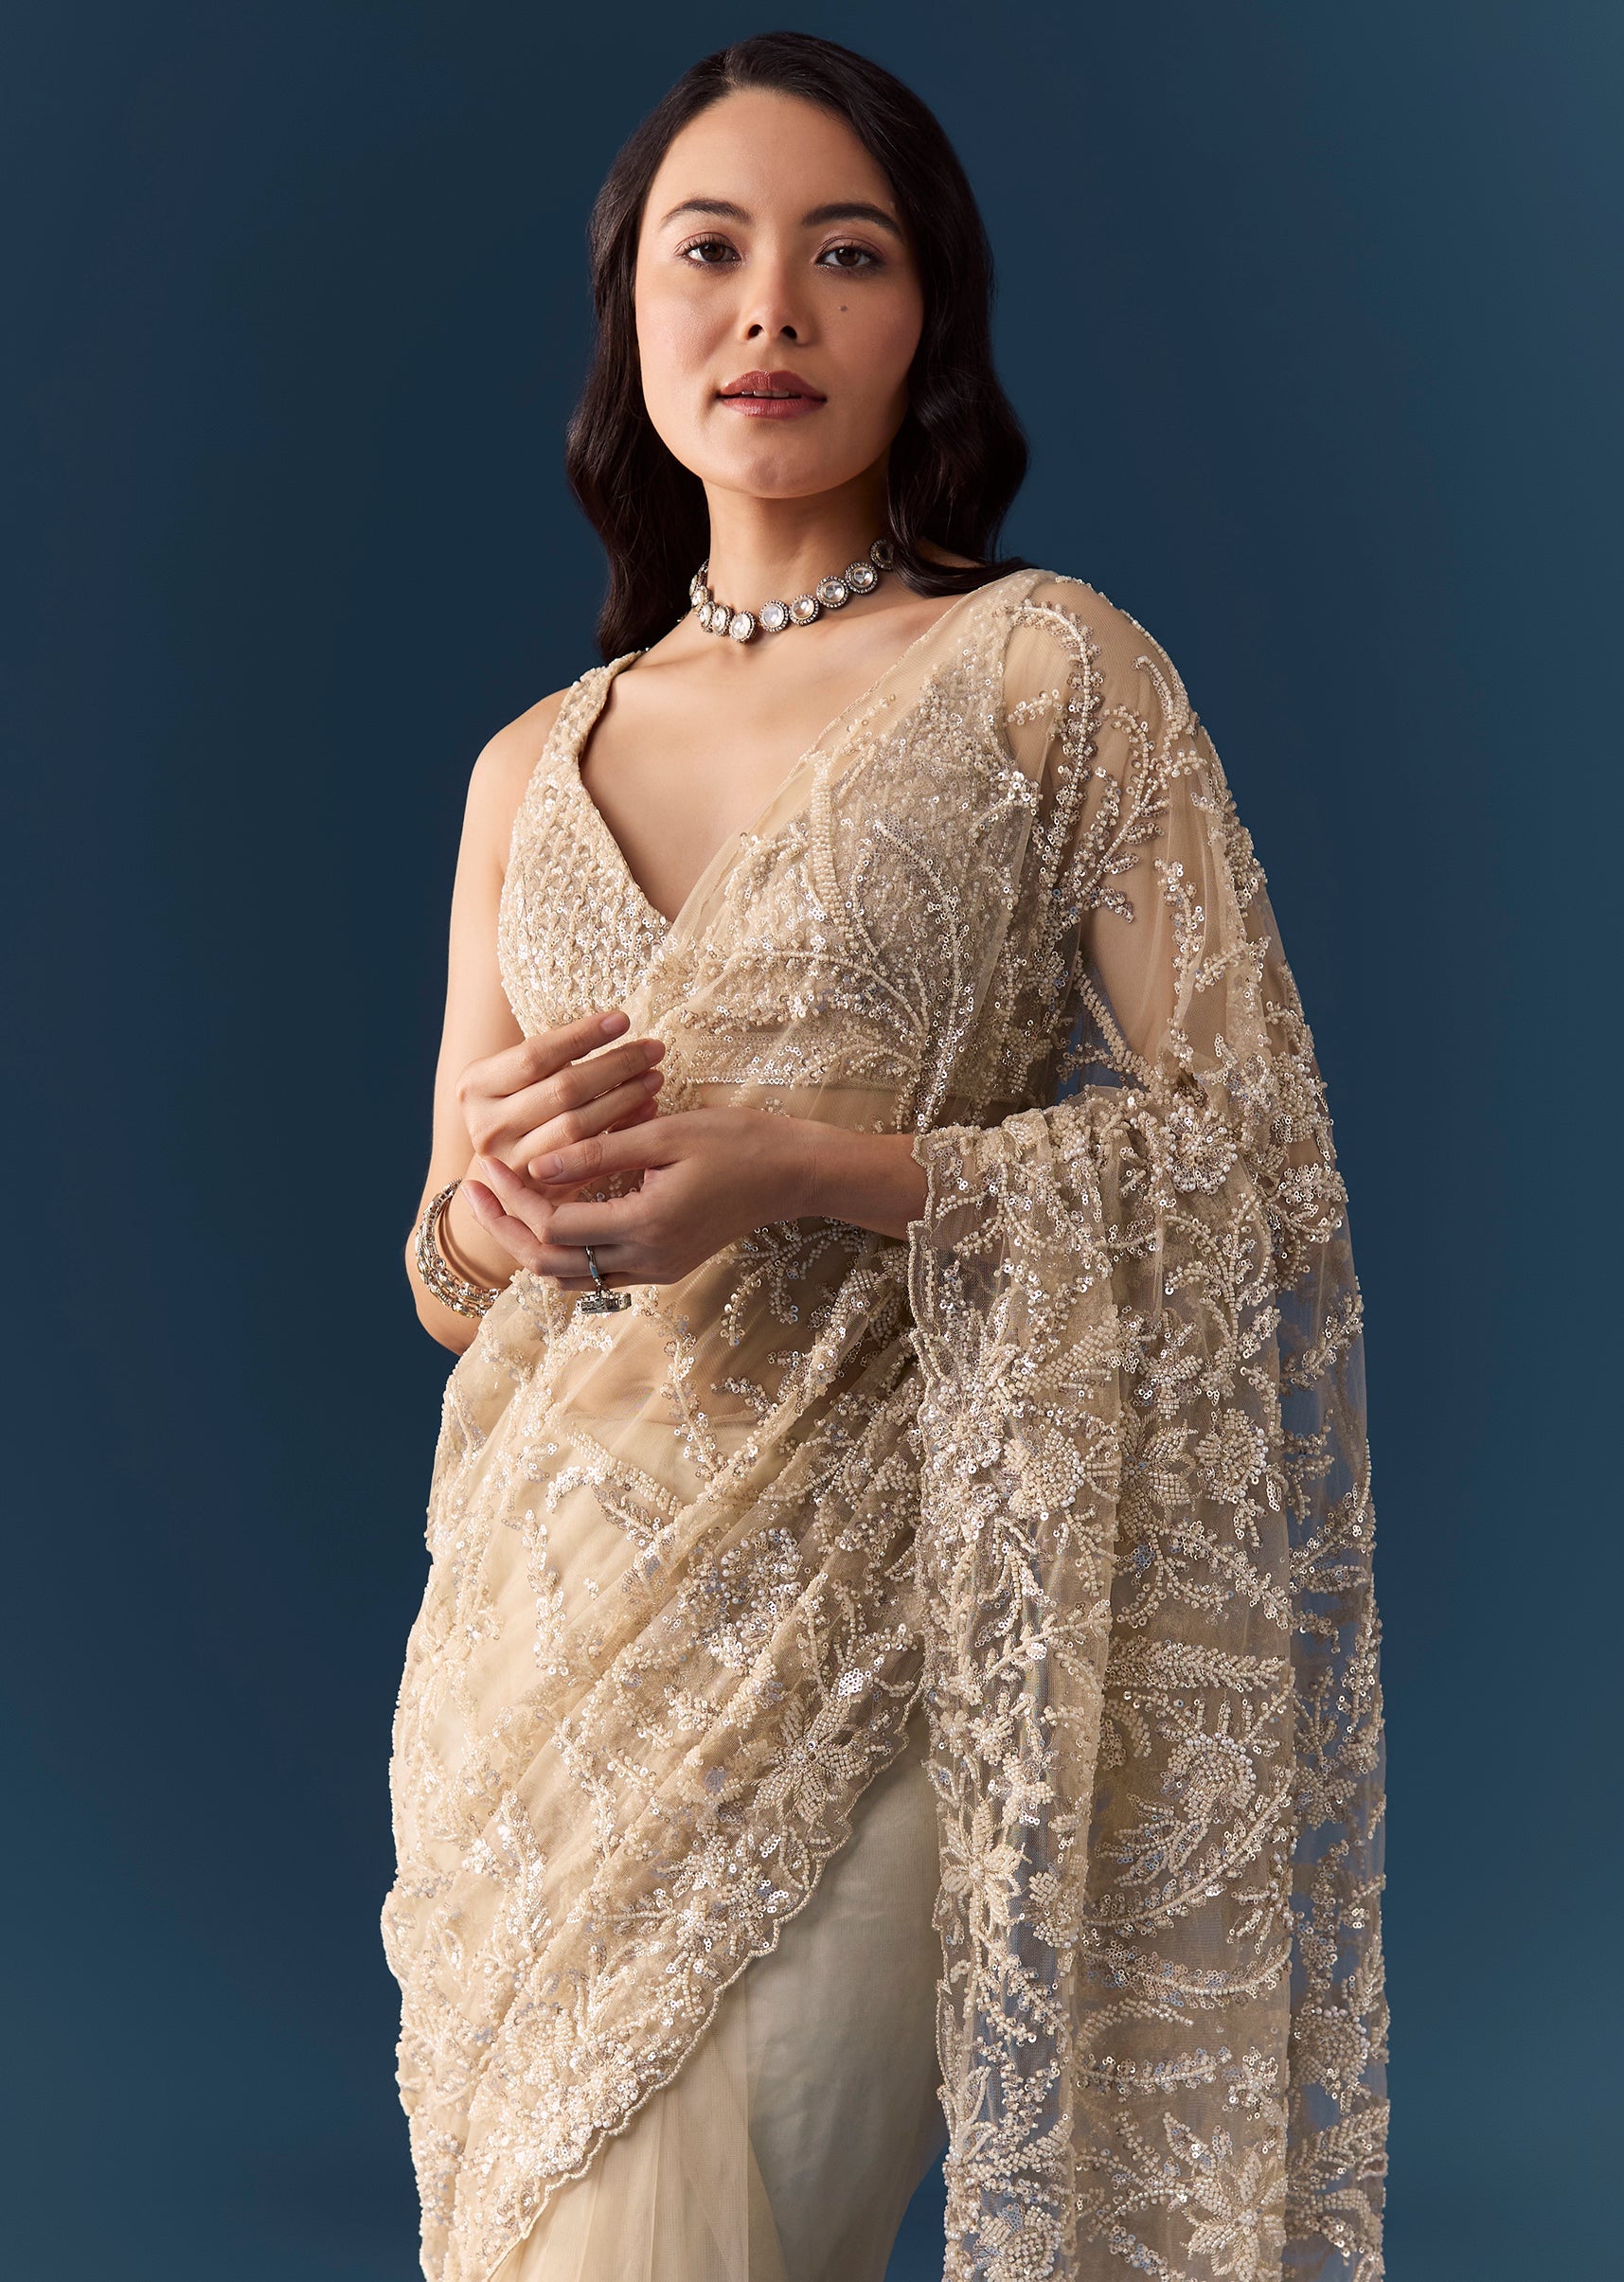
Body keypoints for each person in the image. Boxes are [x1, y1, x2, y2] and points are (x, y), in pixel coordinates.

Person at [382, 31, 1389, 2282]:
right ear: (631, 313)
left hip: (871, 1644)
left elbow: (1254, 1173)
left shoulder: (1045, 674)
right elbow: (445, 1270)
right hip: (534, 1679)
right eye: (708, 251)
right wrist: (489, 1207)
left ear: (928, 315)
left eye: (846, 255)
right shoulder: (527, 767)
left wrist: (804, 1166)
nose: (771, 307)